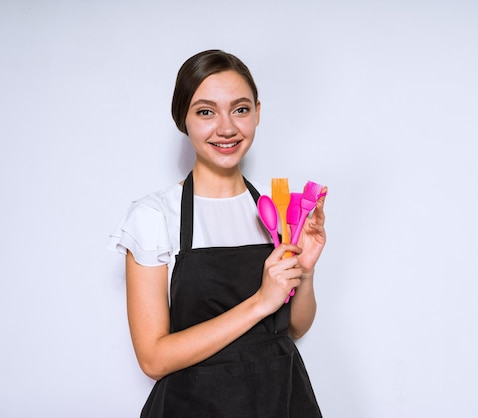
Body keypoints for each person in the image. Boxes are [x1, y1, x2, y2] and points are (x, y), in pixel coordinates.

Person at [108, 49, 326, 417]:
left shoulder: (278, 207)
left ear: (258, 112)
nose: (226, 128)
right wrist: (261, 301)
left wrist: (305, 268)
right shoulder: (154, 215)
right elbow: (153, 358)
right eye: (205, 111)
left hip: (283, 400)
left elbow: (296, 327)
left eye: (240, 109)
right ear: (183, 119)